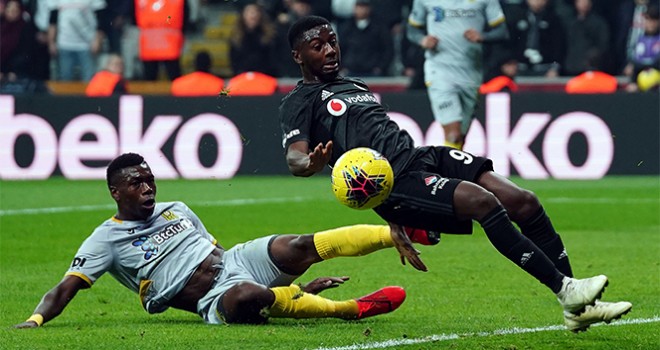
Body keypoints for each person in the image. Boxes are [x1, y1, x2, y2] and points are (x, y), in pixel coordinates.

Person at [278, 15, 633, 333]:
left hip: (421, 156)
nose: (329, 50)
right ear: (299, 57)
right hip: (399, 184)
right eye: (318, 46)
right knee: (484, 203)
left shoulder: (353, 85)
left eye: (332, 41)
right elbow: (295, 157)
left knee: (523, 201)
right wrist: (309, 164)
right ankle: (566, 289)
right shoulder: (300, 101)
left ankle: (581, 307)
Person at [14, 153, 414, 329]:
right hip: (212, 299)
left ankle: (396, 232)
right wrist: (35, 320)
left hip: (237, 261)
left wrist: (283, 282)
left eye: (150, 179)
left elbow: (216, 252)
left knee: (294, 245)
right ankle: (349, 310)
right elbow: (66, 287)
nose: (148, 187)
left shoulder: (178, 207)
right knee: (244, 297)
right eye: (137, 183)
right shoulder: (105, 240)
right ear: (116, 192)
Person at [406, 0, 509, 150]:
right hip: (439, 70)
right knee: (453, 133)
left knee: (461, 135)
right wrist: (422, 40)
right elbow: (412, 30)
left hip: (471, 71)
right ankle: (446, 171)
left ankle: (454, 170)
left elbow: (502, 31)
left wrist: (483, 36)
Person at [48, 0, 106, 82]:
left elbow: (101, 18)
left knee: (88, 79)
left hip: (87, 44)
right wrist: (51, 42)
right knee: (65, 79)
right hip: (64, 44)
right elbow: (53, 19)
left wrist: (97, 41)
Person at [337, 0, 393, 77]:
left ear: (369, 8)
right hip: (350, 70)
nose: (361, 10)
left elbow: (387, 49)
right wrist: (342, 67)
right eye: (359, 7)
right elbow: (340, 49)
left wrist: (380, 67)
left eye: (364, 7)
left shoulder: (379, 27)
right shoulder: (346, 28)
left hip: (373, 71)